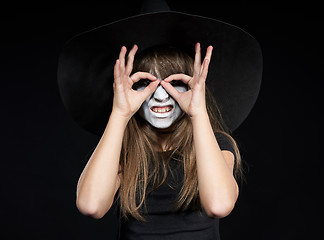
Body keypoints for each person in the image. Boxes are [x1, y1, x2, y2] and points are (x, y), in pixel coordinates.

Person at [76, 43, 242, 239]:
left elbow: (219, 205)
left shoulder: (217, 144)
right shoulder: (121, 148)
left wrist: (198, 113)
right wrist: (119, 113)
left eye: (172, 83)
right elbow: (91, 206)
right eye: (147, 82)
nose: (161, 96)